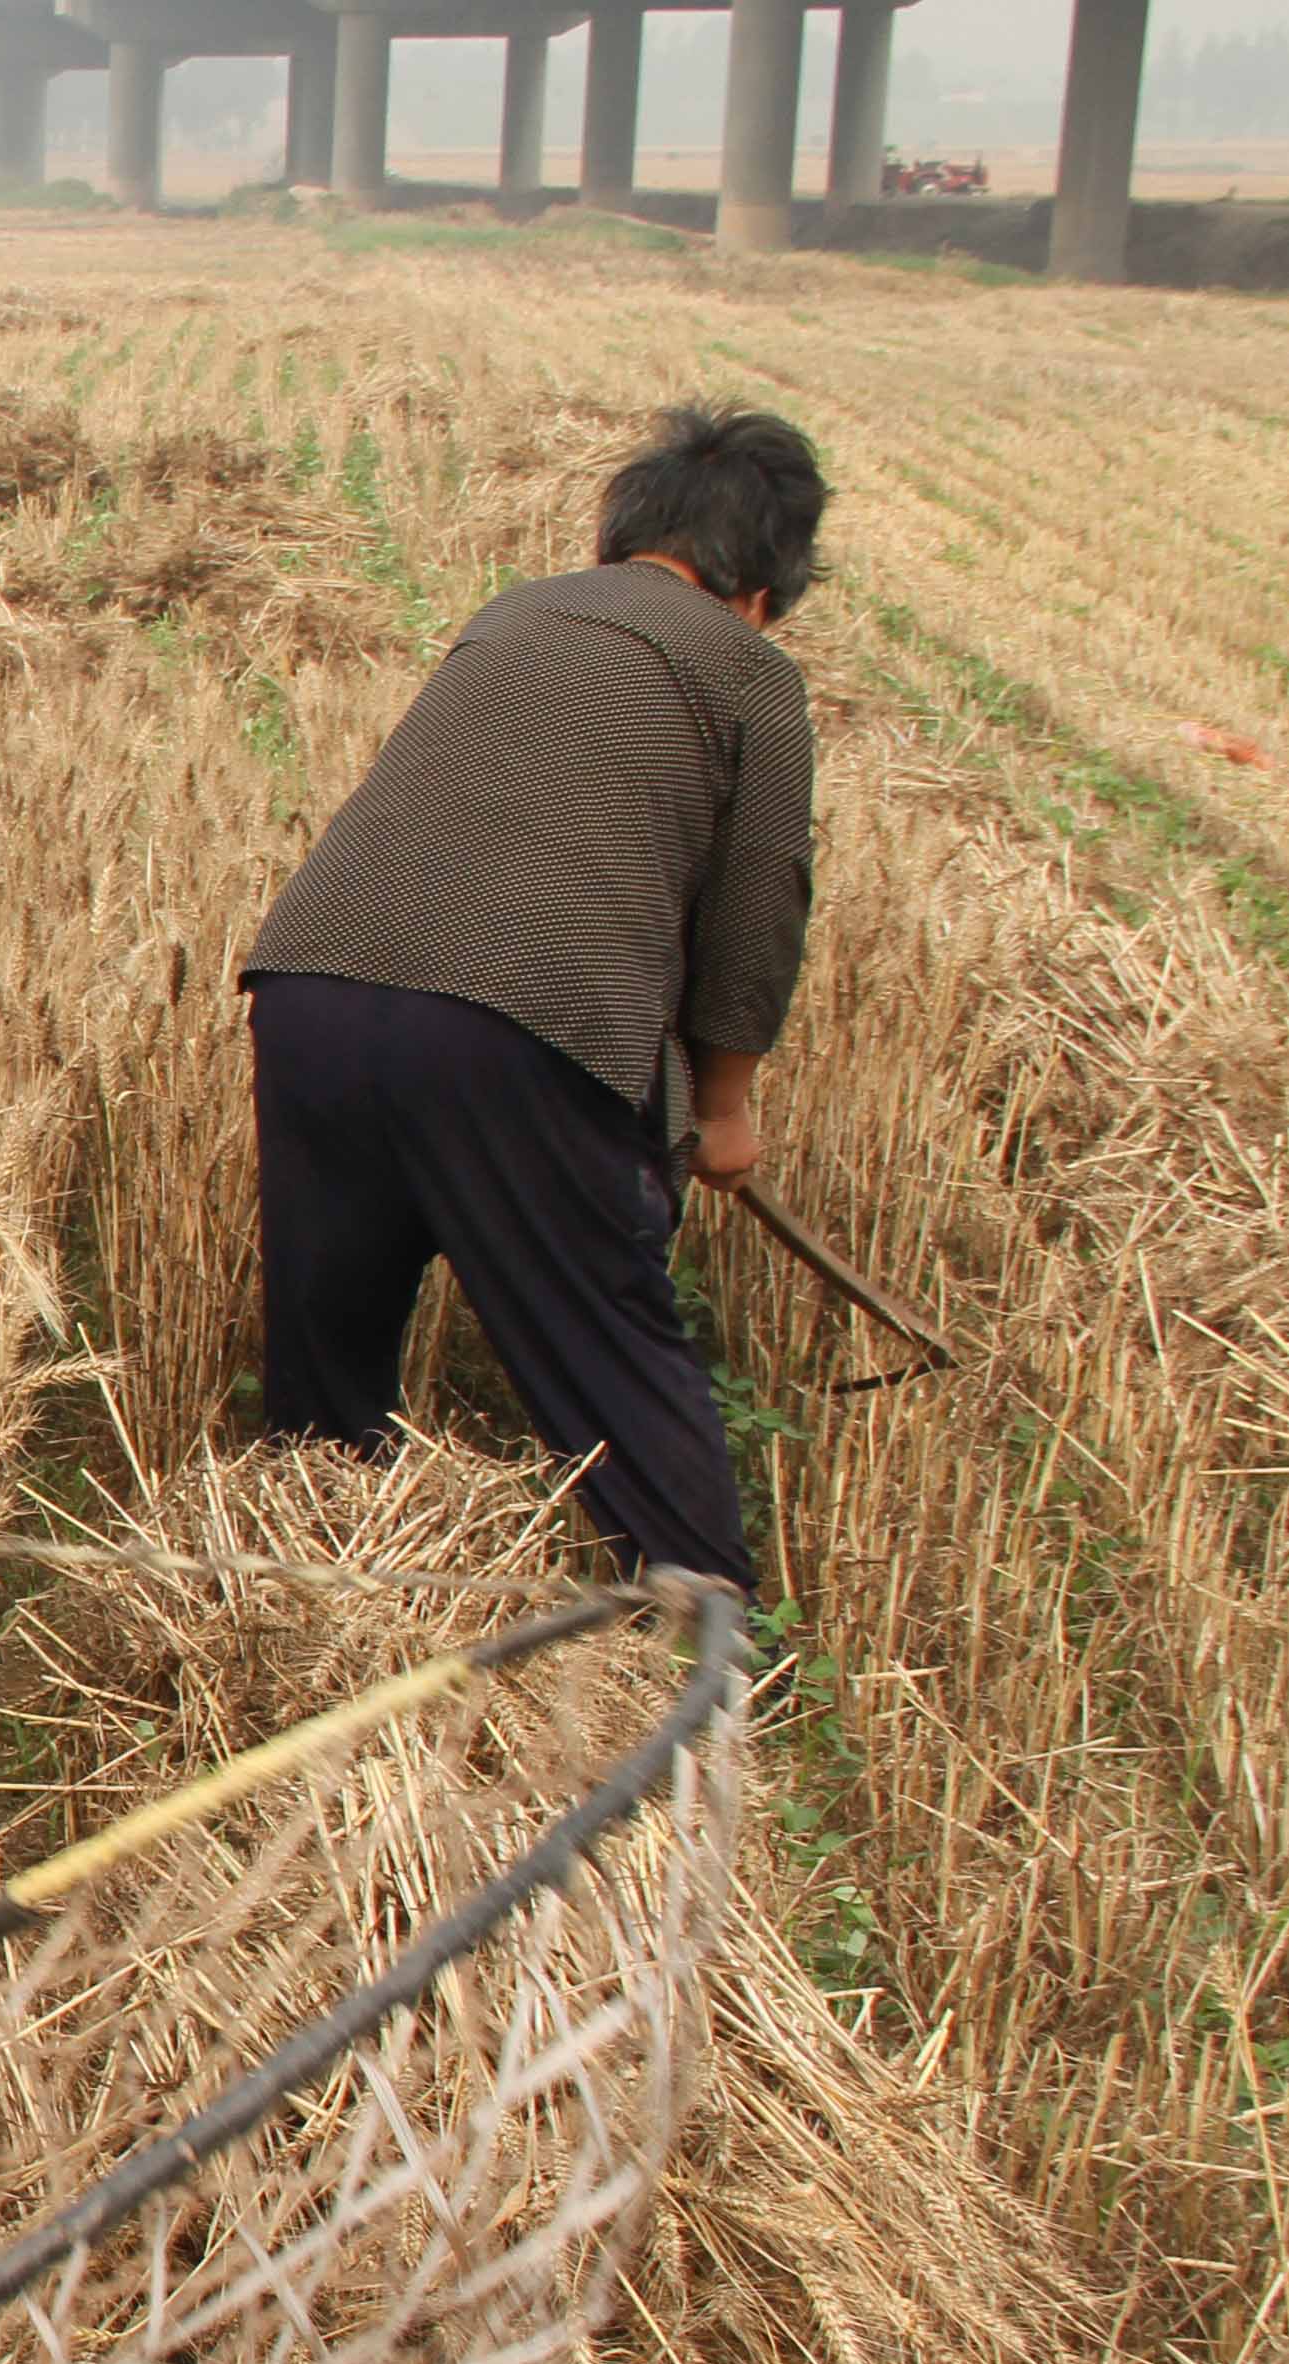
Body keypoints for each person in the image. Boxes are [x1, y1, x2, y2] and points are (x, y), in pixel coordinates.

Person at [237, 405, 826, 1589]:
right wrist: (722, 1109)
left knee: (327, 1326)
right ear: (762, 584)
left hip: (310, 977)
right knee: (601, 1331)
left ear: (620, 535)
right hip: (519, 1014)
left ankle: (308, 1590)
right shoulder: (749, 672)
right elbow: (756, 913)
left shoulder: (513, 613)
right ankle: (698, 1633)